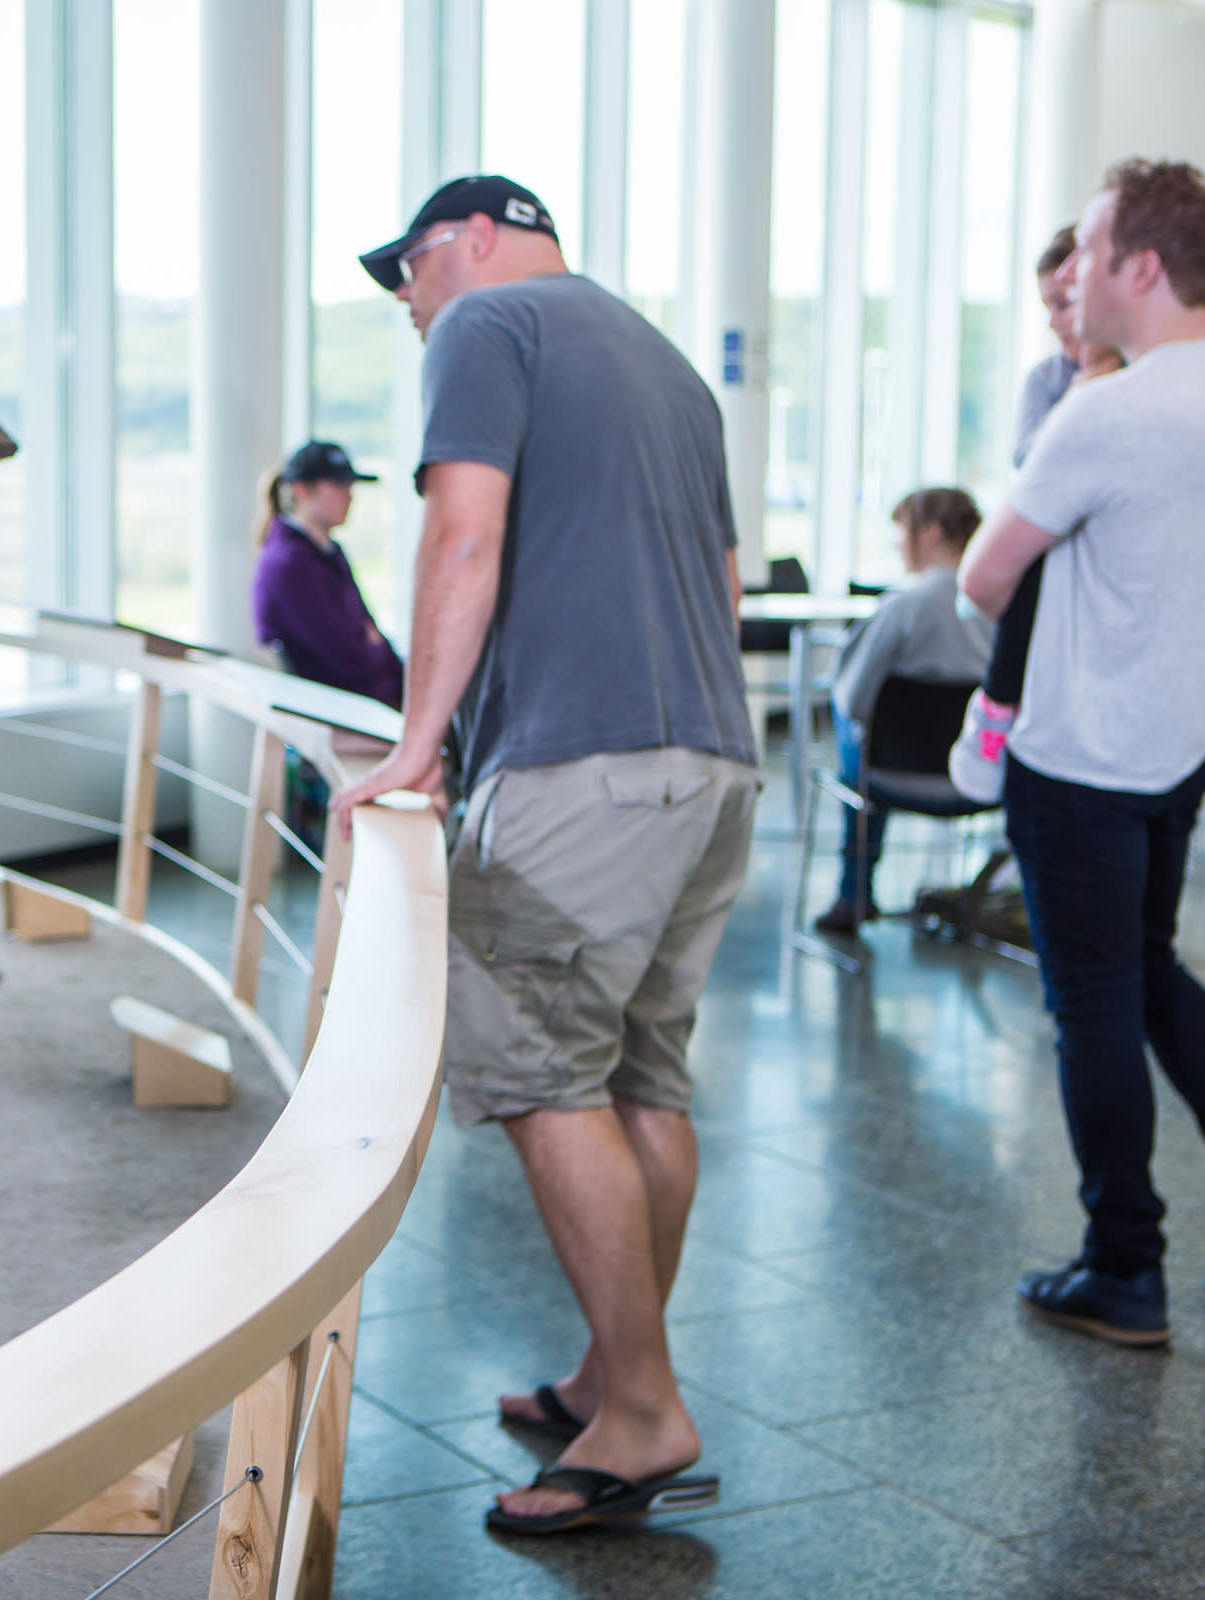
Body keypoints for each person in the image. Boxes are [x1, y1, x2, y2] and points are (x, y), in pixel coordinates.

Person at [334, 175, 756, 1534]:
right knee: (643, 1073)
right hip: (712, 762)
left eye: (407, 266)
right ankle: (608, 1372)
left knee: (535, 1070)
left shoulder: (487, 326)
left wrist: (418, 741)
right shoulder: (671, 366)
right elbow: (726, 585)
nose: (405, 300)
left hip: (587, 768)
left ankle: (642, 1413)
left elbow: (465, 530)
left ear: (476, 239)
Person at [956, 158, 1205, 1347]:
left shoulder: (1107, 408)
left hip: (1084, 751)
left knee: (1093, 1003)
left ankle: (1123, 1265)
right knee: (1145, 974)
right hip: (1189, 739)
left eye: (1091, 252)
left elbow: (982, 576)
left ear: (1143, 267)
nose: (1073, 274)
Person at [952, 241, 1205, 902]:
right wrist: (1081, 403)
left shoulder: (1156, 385)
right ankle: (997, 706)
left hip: (1164, 610)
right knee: (1037, 565)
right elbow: (1034, 487)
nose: (1059, 318)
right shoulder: (1055, 384)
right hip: (1067, 590)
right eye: (1049, 305)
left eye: (1067, 302)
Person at [813, 488, 995, 935]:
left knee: (851, 727)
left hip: (894, 778)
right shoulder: (1001, 607)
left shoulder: (901, 608)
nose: (897, 544)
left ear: (929, 533)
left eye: (901, 532)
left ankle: (853, 895)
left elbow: (853, 701)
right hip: (983, 781)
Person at [250, 440, 403, 709]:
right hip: (347, 714)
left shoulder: (329, 552)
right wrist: (374, 647)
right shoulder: (290, 565)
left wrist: (374, 647)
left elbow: (367, 635)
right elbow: (348, 660)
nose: (350, 497)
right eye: (339, 486)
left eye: (350, 487)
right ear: (301, 490)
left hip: (371, 702)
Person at [1014, 225, 1085, 467]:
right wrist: (1077, 395)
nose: (1053, 323)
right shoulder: (1044, 379)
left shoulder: (1139, 367)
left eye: (1064, 304)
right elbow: (1024, 460)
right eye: (1048, 307)